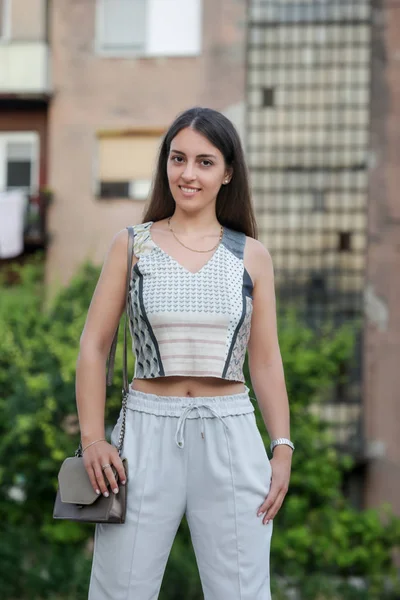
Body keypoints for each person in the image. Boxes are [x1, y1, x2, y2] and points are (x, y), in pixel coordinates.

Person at [76, 106, 293, 600]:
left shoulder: (252, 255)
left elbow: (265, 360)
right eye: (178, 159)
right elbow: (94, 345)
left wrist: (282, 446)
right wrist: (93, 439)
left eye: (204, 162)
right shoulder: (132, 245)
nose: (188, 173)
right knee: (120, 589)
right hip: (145, 433)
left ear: (227, 172)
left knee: (242, 591)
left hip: (232, 433)